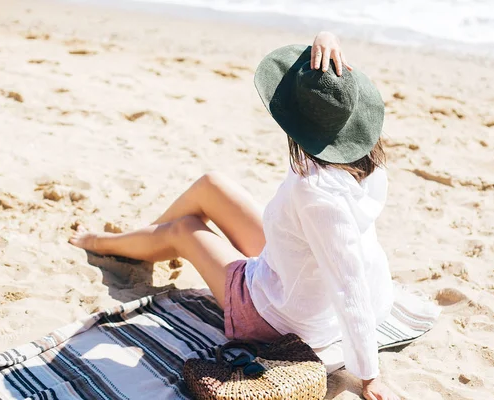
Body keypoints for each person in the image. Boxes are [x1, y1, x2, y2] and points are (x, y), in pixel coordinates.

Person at [70, 31, 399, 400]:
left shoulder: (316, 194)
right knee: (212, 184)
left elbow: (348, 283)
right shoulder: (363, 162)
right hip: (298, 273)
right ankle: (144, 238)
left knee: (184, 229)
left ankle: (106, 243)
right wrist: (325, 38)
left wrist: (369, 376)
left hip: (275, 318)